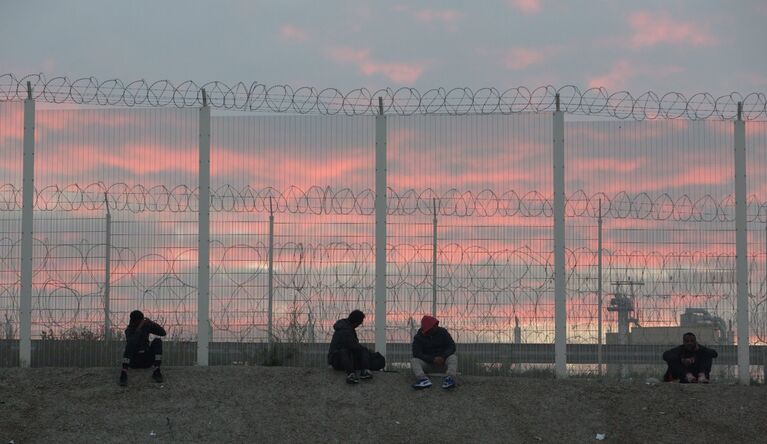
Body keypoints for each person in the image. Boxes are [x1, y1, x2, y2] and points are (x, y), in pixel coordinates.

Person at [119, 310, 166, 386]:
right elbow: (132, 341)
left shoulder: (146, 327)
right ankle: (123, 373)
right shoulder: (129, 330)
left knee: (157, 341)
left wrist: (151, 323)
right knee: (130, 344)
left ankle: (157, 370)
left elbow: (163, 333)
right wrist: (139, 327)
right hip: (133, 361)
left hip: (146, 360)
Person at [327, 309, 373, 384]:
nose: (359, 325)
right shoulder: (345, 330)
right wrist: (367, 352)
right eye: (359, 323)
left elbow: (354, 346)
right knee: (346, 351)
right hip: (337, 360)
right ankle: (352, 374)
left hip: (342, 359)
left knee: (359, 351)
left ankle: (364, 371)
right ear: (356, 322)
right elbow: (353, 345)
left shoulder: (348, 327)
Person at [411, 315, 457, 389]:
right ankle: (422, 379)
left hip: (443, 363)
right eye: (431, 328)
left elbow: (452, 346)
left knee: (453, 357)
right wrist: (432, 359)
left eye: (435, 326)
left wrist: (443, 356)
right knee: (414, 361)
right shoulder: (419, 337)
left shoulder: (443, 332)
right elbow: (416, 353)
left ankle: (450, 378)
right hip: (428, 365)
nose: (434, 328)